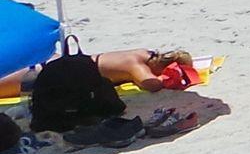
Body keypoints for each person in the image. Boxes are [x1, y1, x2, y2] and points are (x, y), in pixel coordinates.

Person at [0, 48, 199, 97]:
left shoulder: (144, 53)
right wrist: (169, 78)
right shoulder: (136, 65)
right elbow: (152, 85)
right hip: (53, 75)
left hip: (61, 63)